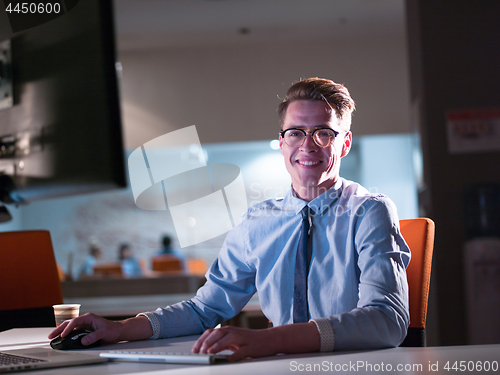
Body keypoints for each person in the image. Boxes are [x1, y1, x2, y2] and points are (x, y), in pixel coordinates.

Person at [49, 77, 410, 361]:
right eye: (296, 132)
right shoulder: (259, 221)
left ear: (344, 143)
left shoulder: (369, 211)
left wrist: (269, 340)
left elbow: (387, 321)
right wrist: (121, 328)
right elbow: (206, 308)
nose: (308, 145)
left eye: (323, 133)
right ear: (282, 142)